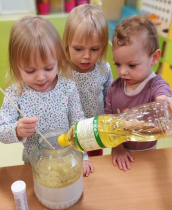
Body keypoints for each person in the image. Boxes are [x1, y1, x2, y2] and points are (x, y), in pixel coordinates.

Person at [0, 16, 93, 177]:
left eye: (48, 68)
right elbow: (0, 132)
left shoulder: (68, 87)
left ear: (58, 59)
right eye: (30, 71)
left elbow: (78, 124)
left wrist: (83, 156)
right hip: (35, 163)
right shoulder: (15, 92)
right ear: (16, 65)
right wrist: (17, 130)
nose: (41, 77)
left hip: (68, 158)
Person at [105, 15, 172, 171]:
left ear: (154, 58)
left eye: (132, 65)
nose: (122, 72)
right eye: (118, 64)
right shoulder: (114, 88)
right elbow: (108, 122)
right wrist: (118, 149)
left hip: (148, 153)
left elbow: (165, 97)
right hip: (120, 151)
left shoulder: (155, 85)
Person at [63, 4, 113, 157]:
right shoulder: (61, 71)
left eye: (94, 49)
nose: (86, 56)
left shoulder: (103, 69)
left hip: (94, 133)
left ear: (103, 47)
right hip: (68, 133)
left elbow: (110, 98)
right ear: (67, 44)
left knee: (95, 166)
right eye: (78, 49)